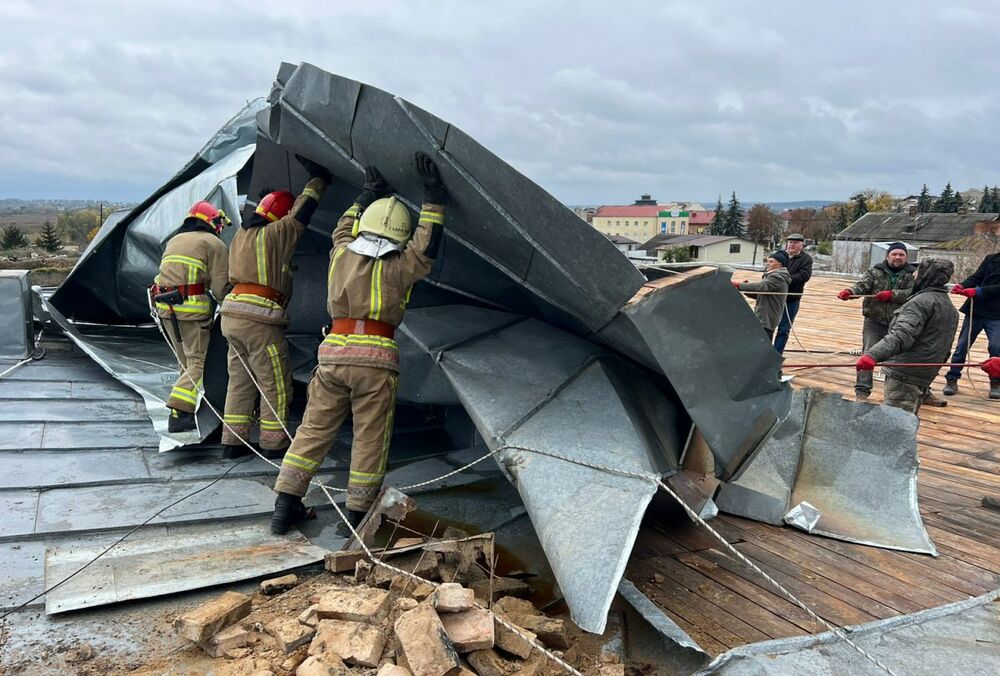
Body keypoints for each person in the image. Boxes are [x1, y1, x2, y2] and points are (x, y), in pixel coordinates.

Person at [270, 152, 447, 535]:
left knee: (313, 430)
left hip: (332, 354)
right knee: (369, 437)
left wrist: (365, 196)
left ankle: (284, 506)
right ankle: (356, 517)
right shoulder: (401, 266)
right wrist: (433, 198)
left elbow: (341, 229)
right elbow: (426, 246)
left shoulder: (340, 255)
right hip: (376, 360)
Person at [218, 156, 331, 459]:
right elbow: (302, 213)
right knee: (276, 384)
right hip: (260, 321)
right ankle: (275, 443)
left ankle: (233, 443)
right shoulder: (277, 234)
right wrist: (318, 181)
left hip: (232, 317)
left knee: (240, 381)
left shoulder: (241, 236)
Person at [152, 201, 231, 432]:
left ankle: (184, 407)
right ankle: (179, 413)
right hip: (192, 313)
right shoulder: (213, 243)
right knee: (198, 362)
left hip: (166, 310)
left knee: (185, 362)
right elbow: (220, 289)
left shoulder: (174, 240)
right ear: (212, 222)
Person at [856, 259, 958, 413]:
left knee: (896, 424)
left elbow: (901, 335)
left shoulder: (919, 303)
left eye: (917, 274)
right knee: (908, 421)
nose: (914, 277)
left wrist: (872, 355)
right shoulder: (949, 306)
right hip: (925, 373)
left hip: (904, 374)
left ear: (926, 276)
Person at [837, 243, 920, 402]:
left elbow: (915, 294)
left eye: (901, 255)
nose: (897, 257)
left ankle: (916, 391)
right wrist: (850, 292)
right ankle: (862, 391)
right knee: (868, 355)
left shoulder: (913, 275)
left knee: (907, 357)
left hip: (901, 322)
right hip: (874, 320)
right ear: (887, 256)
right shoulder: (875, 272)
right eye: (894, 254)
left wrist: (892, 295)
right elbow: (862, 286)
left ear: (906, 257)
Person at [942, 251, 1000, 400]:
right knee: (962, 346)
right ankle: (952, 378)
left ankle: (996, 381)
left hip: (997, 314)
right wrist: (962, 285)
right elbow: (977, 276)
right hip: (977, 310)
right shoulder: (991, 258)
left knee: (996, 347)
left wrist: (978, 291)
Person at [733, 250, 791, 342]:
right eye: (767, 261)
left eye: (771, 262)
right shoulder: (776, 276)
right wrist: (746, 289)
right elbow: (762, 293)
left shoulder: (777, 277)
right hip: (766, 316)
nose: (767, 264)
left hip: (767, 316)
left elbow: (762, 286)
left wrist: (738, 284)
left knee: (762, 344)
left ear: (779, 265)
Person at [772, 233, 813, 355]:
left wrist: (784, 279)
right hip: (774, 298)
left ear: (802, 245)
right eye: (790, 242)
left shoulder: (806, 259)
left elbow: (804, 275)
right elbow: (769, 270)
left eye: (795, 243)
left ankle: (776, 354)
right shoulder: (778, 256)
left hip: (791, 299)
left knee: (784, 329)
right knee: (768, 327)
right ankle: (765, 353)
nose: (792, 245)